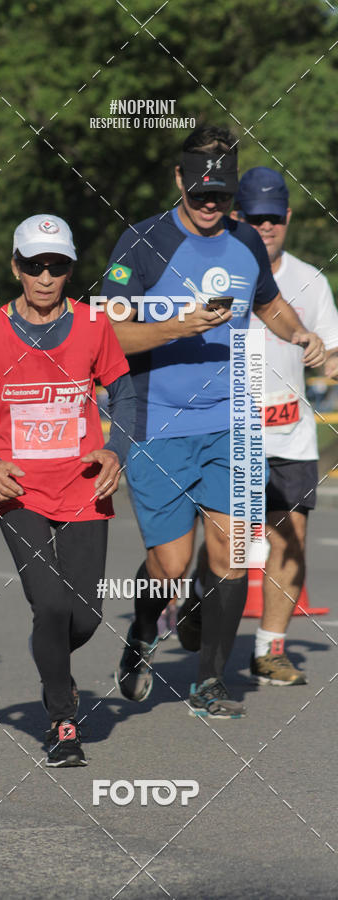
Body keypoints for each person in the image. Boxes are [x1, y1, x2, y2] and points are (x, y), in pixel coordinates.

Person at [100, 125, 325, 717]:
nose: (209, 206)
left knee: (230, 553)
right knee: (171, 567)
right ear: (178, 181)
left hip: (230, 421)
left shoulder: (246, 242)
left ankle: (210, 682)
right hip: (158, 423)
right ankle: (144, 628)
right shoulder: (142, 242)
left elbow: (269, 302)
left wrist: (297, 331)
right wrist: (178, 326)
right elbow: (110, 333)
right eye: (199, 194)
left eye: (220, 197)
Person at [0, 215, 135, 766]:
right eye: (34, 265)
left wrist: (116, 450)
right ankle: (62, 720)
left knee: (85, 616)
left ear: (70, 270)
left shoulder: (94, 326)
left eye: (56, 266)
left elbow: (124, 395)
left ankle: (52, 660)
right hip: (20, 492)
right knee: (50, 605)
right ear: (16, 267)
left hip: (84, 487)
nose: (46, 277)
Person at [180, 168, 338, 685]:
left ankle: (269, 650)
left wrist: (329, 358)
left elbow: (330, 349)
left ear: (288, 218)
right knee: (233, 546)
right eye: (254, 217)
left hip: (289, 432)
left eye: (274, 218)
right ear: (235, 217)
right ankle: (197, 601)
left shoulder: (310, 279)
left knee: (290, 534)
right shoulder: (213, 270)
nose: (265, 227)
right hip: (229, 433)